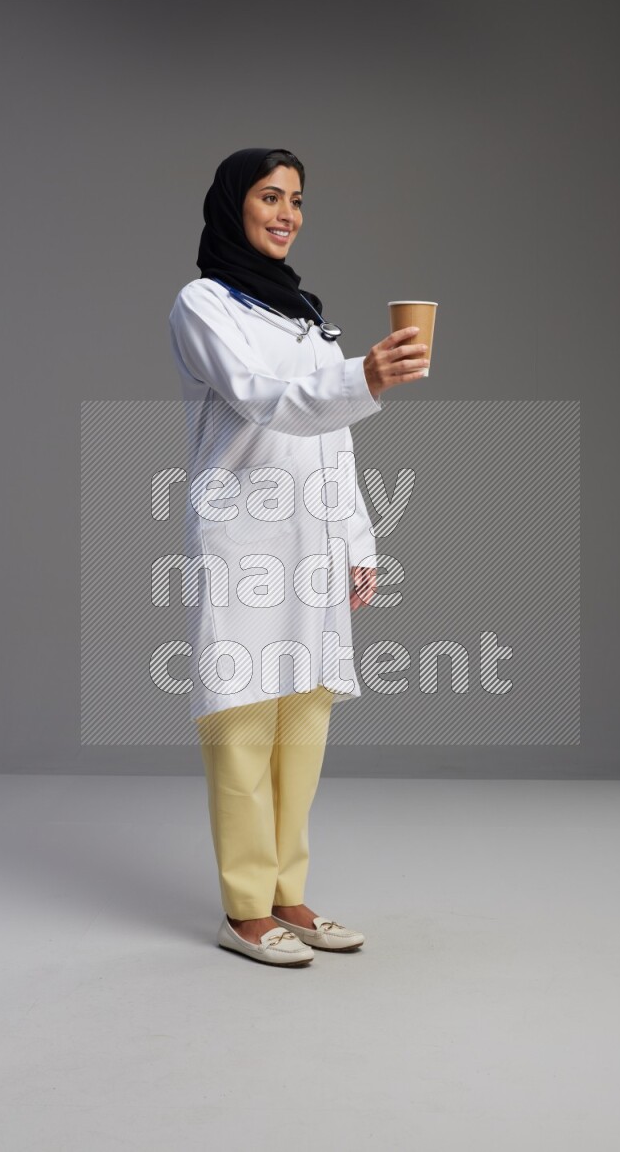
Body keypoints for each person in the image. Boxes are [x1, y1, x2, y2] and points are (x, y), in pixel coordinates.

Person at [168, 148, 428, 966]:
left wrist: (358, 538)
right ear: (233, 207)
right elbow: (262, 400)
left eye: (298, 199)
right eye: (270, 196)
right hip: (245, 539)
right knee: (243, 720)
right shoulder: (205, 305)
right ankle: (245, 908)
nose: (287, 212)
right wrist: (368, 375)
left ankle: (290, 892)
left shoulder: (308, 317)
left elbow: (333, 443)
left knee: (303, 722)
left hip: (312, 543)